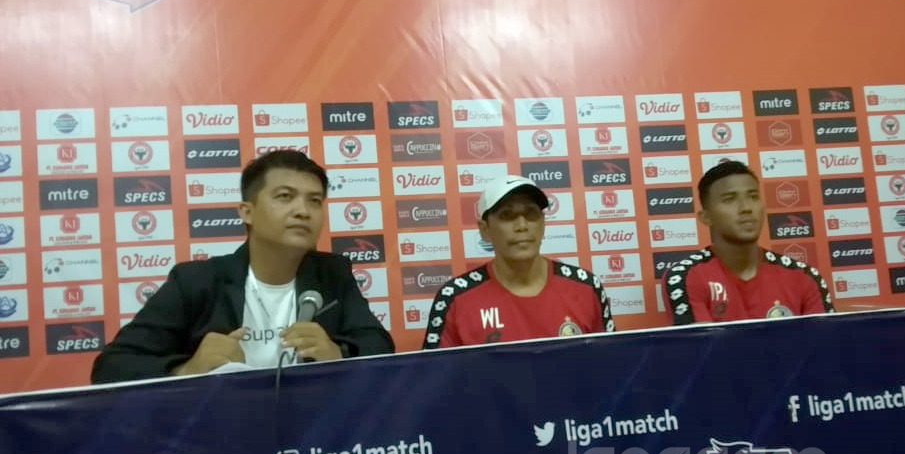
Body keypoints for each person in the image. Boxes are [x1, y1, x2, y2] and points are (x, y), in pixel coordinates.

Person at [92, 150, 393, 383]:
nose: (303, 211)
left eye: (314, 201)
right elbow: (111, 367)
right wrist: (187, 370)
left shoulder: (332, 274)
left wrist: (338, 354)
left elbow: (379, 346)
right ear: (247, 212)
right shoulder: (197, 281)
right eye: (285, 197)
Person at [423, 175, 614, 348]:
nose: (522, 226)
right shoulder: (456, 299)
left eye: (531, 214)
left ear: (543, 223)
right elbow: (436, 374)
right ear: (485, 230)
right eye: (507, 216)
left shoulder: (586, 287)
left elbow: (610, 366)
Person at [662, 161, 833, 325]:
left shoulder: (803, 276)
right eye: (730, 199)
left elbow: (824, 342)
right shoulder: (686, 277)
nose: (746, 208)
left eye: (753, 197)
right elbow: (703, 345)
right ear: (706, 217)